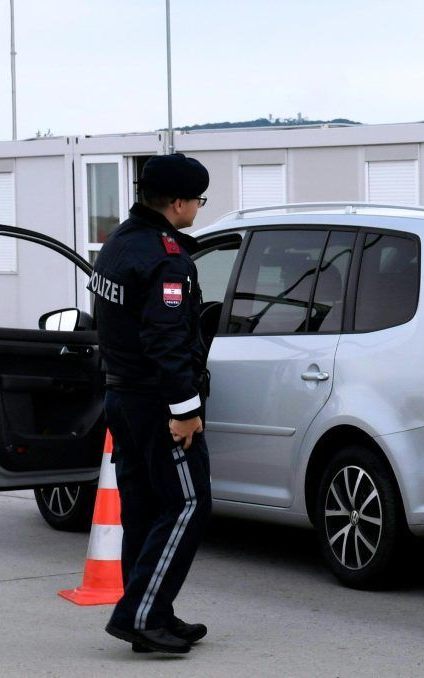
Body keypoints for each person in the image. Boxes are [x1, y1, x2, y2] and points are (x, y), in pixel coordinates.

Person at [91, 153, 213, 654]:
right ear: (178, 202)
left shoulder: (118, 243)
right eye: (199, 200)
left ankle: (152, 612)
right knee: (188, 503)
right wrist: (184, 410)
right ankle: (139, 616)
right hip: (157, 403)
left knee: (144, 508)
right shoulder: (166, 258)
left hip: (121, 395)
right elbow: (165, 340)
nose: (199, 209)